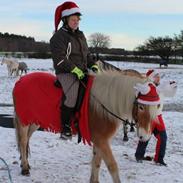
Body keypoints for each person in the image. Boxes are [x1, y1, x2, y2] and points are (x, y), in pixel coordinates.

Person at [50, 1, 99, 140]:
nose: (76, 22)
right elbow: (59, 59)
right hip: (65, 72)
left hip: (82, 70)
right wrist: (75, 70)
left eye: (77, 20)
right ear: (65, 20)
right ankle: (65, 127)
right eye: (73, 19)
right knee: (71, 96)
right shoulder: (58, 37)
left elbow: (87, 54)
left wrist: (93, 65)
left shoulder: (81, 35)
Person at [135, 69, 177, 166]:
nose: (158, 78)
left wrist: (174, 87)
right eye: (156, 76)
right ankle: (139, 156)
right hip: (148, 117)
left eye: (159, 76)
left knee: (163, 138)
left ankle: (159, 159)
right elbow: (138, 95)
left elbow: (170, 94)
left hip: (158, 117)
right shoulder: (147, 88)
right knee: (145, 137)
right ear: (151, 78)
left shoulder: (161, 88)